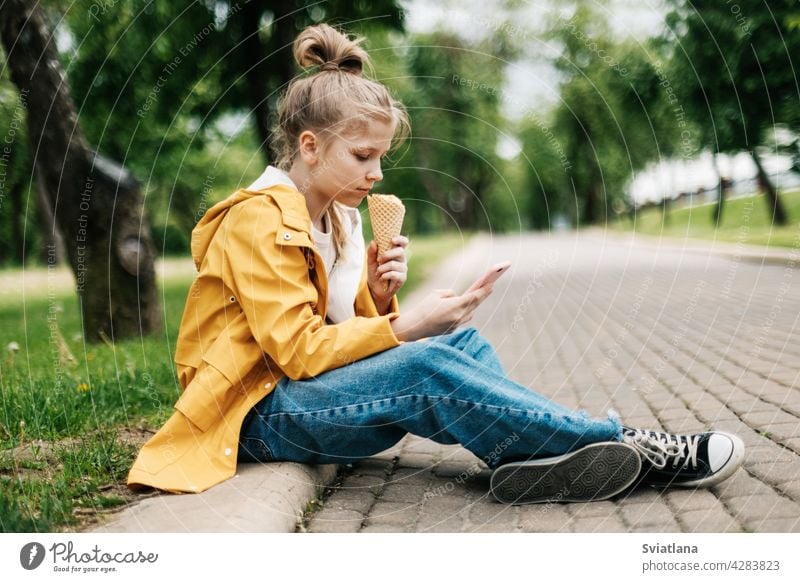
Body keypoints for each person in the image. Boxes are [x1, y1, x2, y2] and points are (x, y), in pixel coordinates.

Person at [127, 23, 744, 505]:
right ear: (309, 148)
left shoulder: (338, 218)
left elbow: (341, 333)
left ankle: (531, 460)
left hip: (303, 398)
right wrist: (409, 325)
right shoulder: (258, 218)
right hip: (255, 415)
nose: (377, 173)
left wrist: (374, 289)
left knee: (466, 346)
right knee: (426, 363)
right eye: (363, 156)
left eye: (380, 157)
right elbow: (298, 352)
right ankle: (624, 445)